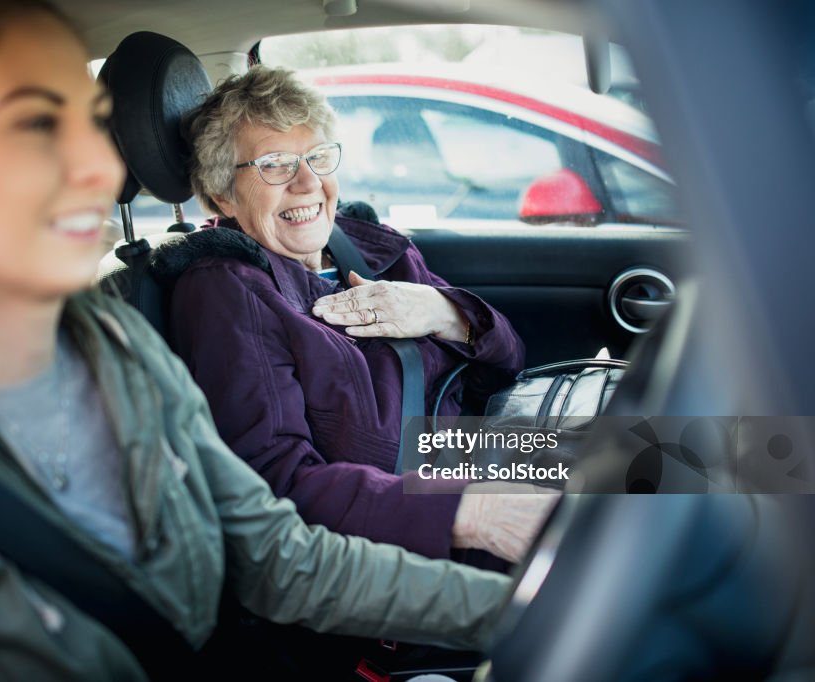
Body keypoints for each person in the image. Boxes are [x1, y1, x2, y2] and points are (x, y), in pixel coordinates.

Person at [0, 1, 527, 679]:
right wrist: (476, 511)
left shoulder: (111, 344)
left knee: (640, 465)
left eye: (88, 124)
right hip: (418, 497)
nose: (100, 167)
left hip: (459, 453)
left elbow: (280, 557)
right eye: (35, 125)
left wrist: (517, 618)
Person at [156, 66, 548, 565]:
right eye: (275, 164)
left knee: (668, 459)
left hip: (470, 449)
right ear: (220, 195)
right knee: (639, 523)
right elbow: (276, 484)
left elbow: (509, 358)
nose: (307, 183)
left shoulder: (364, 245)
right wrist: (472, 513)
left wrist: (445, 312)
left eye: (317, 157)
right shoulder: (226, 290)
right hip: (405, 528)